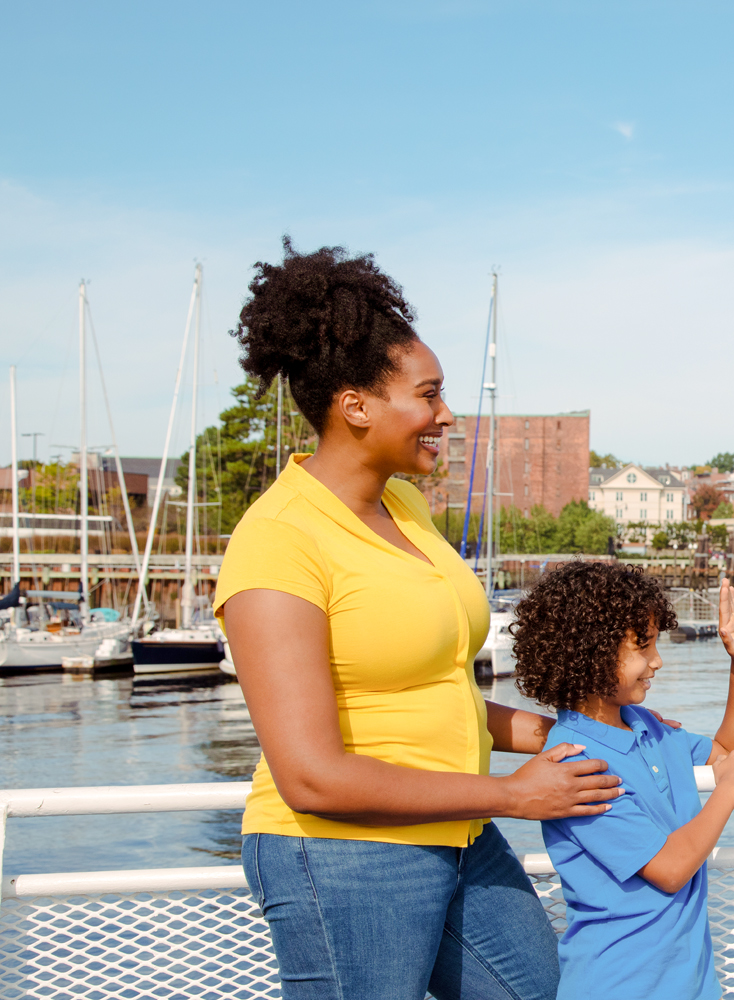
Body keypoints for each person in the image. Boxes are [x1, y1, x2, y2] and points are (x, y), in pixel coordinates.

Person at [217, 240, 624, 1000]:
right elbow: (310, 776)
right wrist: (513, 795)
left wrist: (561, 729)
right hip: (343, 856)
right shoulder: (279, 540)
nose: (445, 415)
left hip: (459, 832)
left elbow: (432, 687)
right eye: (429, 395)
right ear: (357, 406)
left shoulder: (404, 505)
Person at [512, 565, 734, 1000]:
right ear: (591, 650)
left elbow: (729, 755)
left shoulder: (646, 726)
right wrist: (729, 790)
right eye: (643, 646)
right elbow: (670, 869)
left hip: (690, 982)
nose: (657, 660)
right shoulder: (573, 762)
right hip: (619, 984)